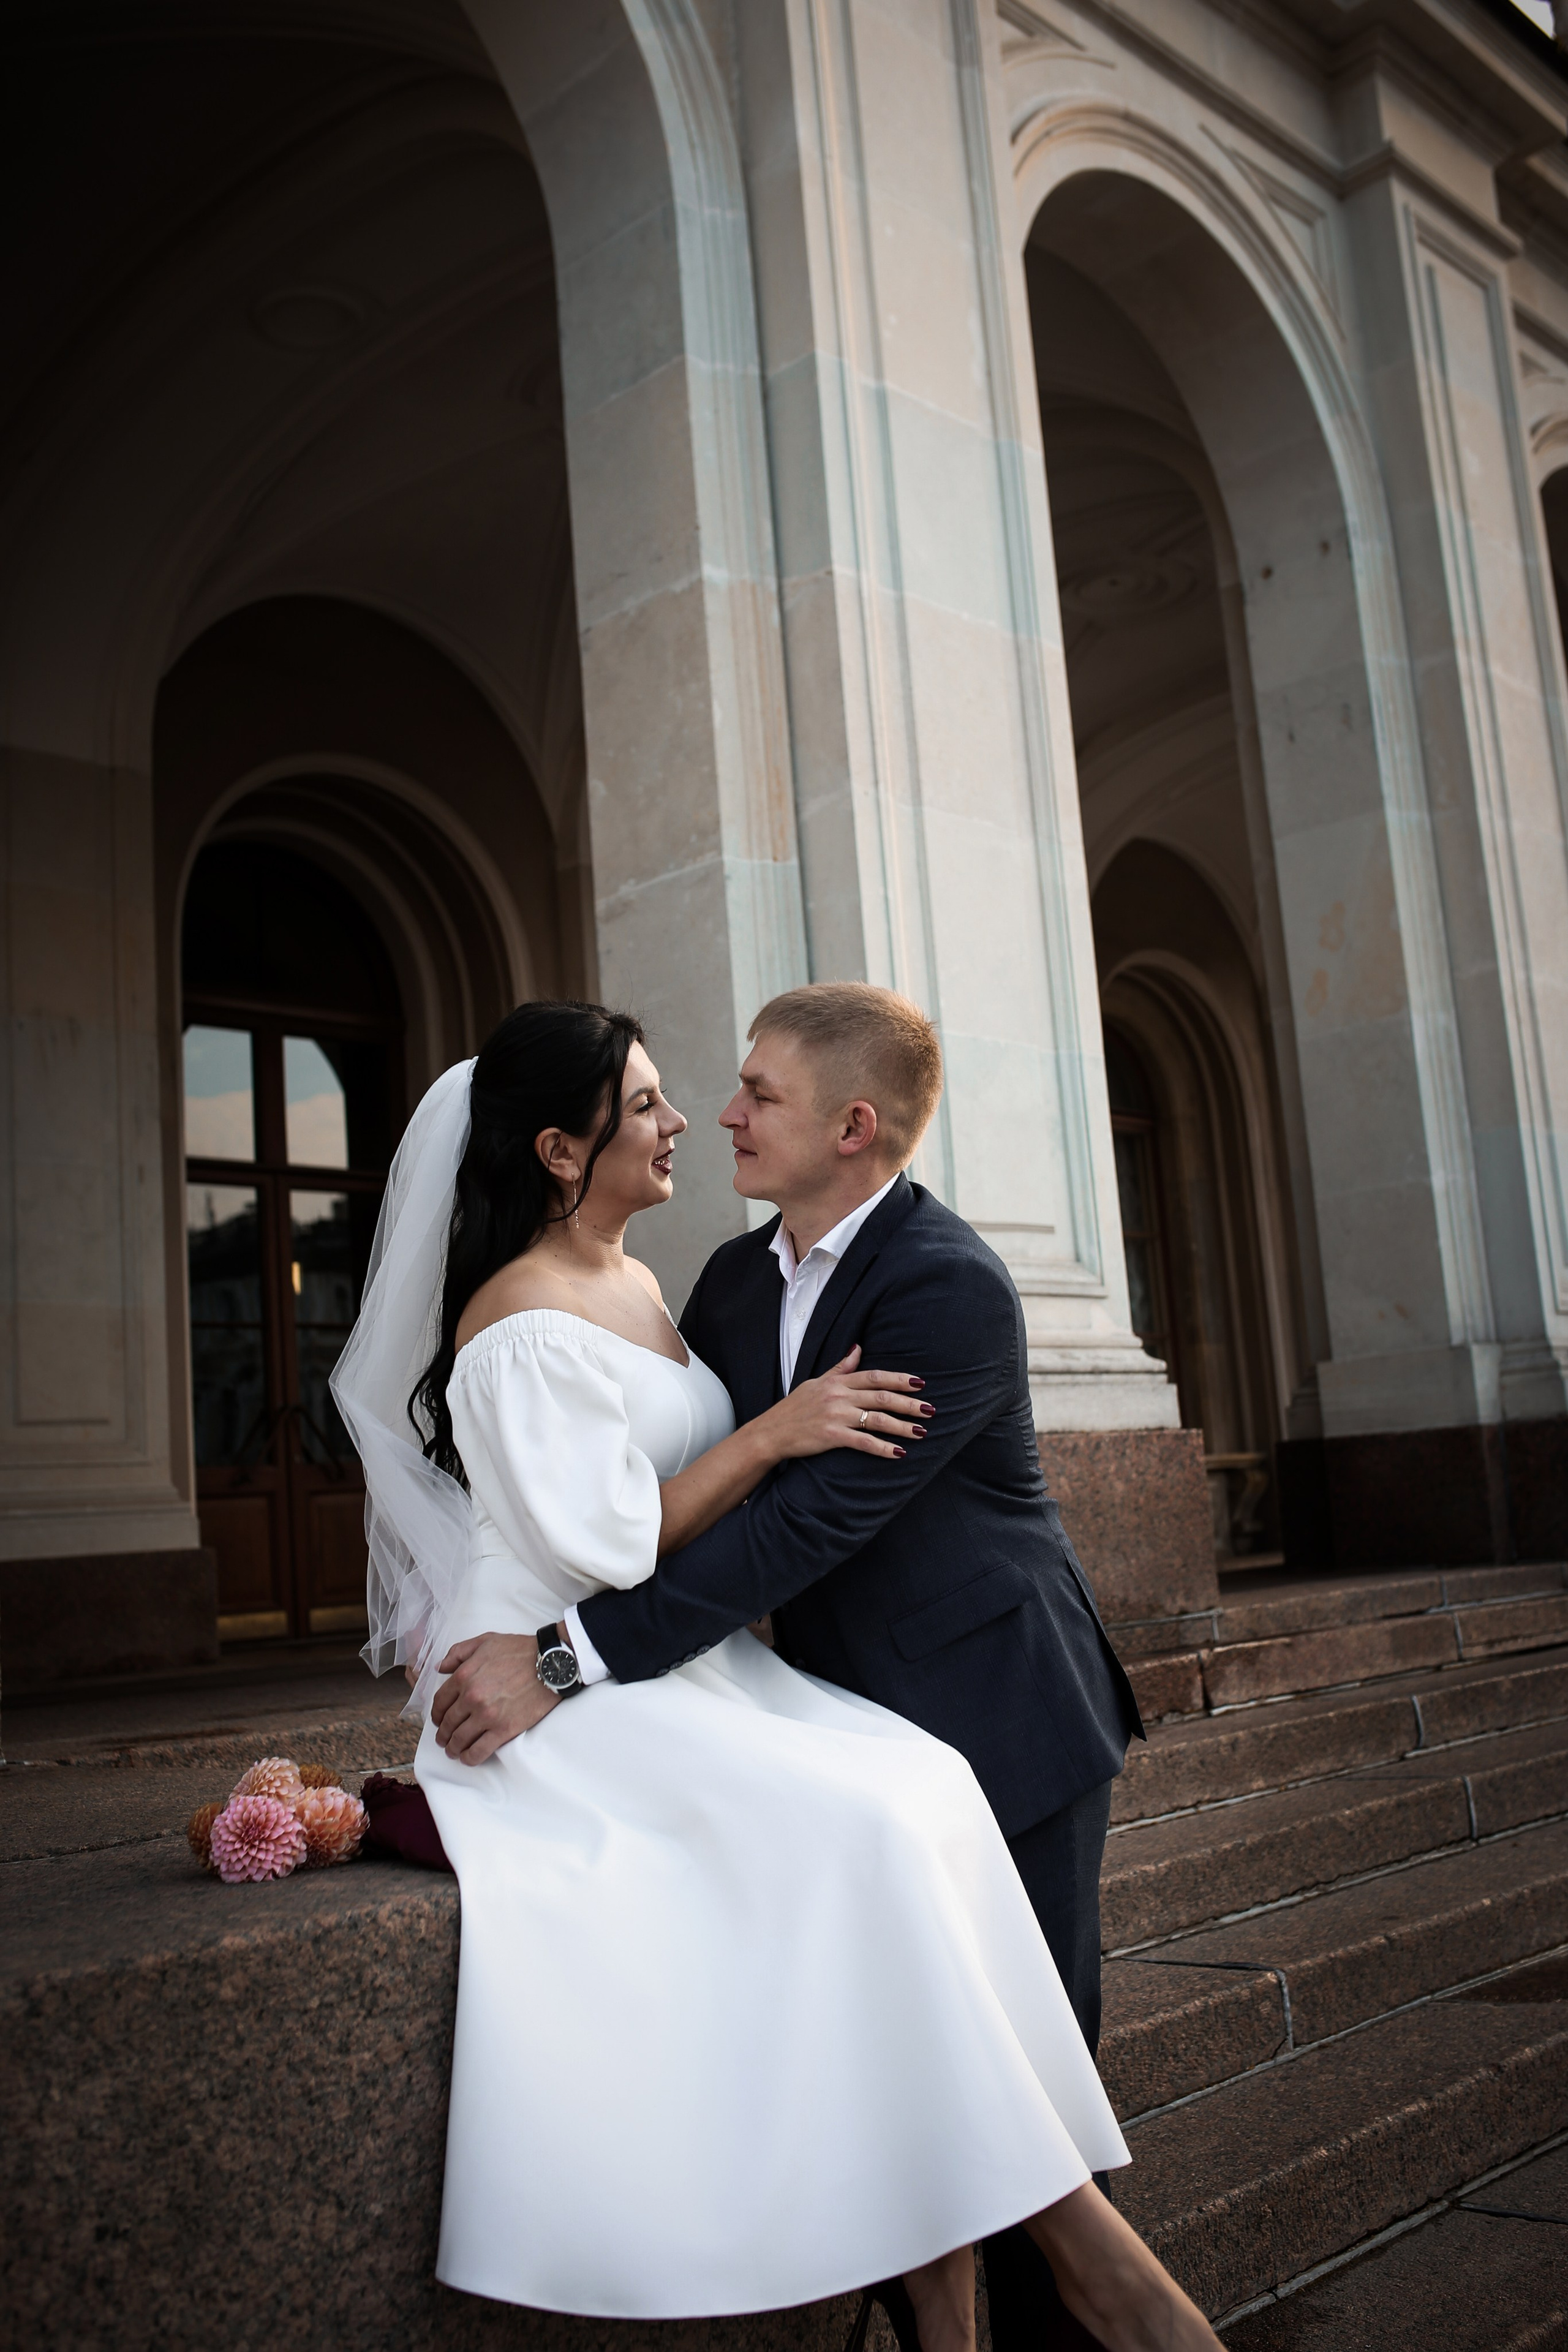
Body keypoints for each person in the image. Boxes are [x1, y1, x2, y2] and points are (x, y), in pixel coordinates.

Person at [331, 998, 1223, 2352]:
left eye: (755, 1093)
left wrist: (580, 1647)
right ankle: (1007, 2298)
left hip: (997, 1700)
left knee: (1018, 1997)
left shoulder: (945, 1284)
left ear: (851, 1127)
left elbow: (804, 1521)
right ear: (562, 1151)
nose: (713, 1115)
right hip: (682, 1672)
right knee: (876, 1852)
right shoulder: (717, 1285)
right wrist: (577, 1641)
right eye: (659, 1100)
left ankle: (1055, 2293)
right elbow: (666, 1513)